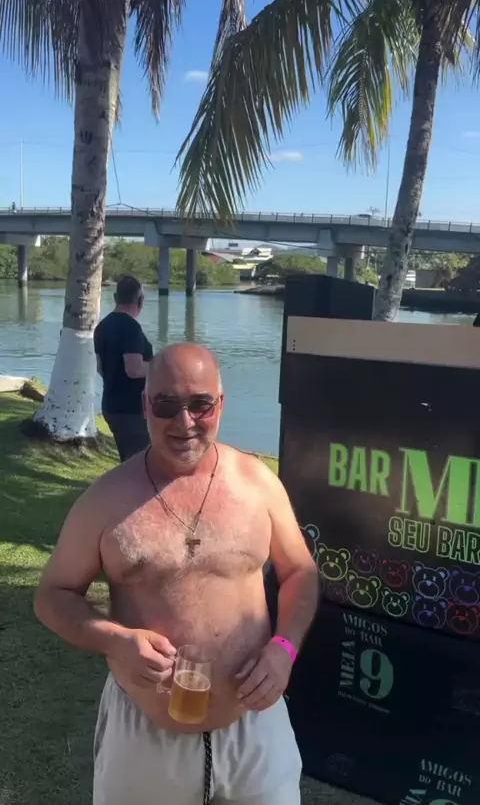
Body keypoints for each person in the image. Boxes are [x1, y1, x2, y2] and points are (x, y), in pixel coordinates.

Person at [34, 342, 319, 805]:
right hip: (145, 737)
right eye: (166, 404)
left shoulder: (258, 484)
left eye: (199, 404)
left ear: (220, 405)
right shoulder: (106, 500)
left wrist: (283, 650)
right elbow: (53, 594)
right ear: (146, 405)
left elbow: (300, 572)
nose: (184, 422)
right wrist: (115, 640)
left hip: (253, 728)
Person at [94, 275, 153, 462]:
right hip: (132, 410)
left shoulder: (102, 326)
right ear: (140, 300)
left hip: (111, 405)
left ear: (115, 297)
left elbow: (99, 368)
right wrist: (160, 366)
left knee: (128, 460)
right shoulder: (131, 328)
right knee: (141, 464)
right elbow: (133, 369)